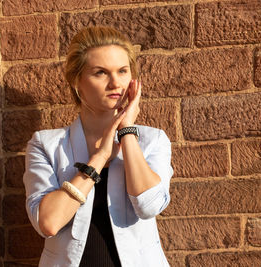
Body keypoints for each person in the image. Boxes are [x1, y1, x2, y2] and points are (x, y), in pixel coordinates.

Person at [23, 26, 173, 267]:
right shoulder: (46, 145)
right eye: (100, 73)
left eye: (122, 71)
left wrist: (127, 130)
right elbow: (48, 223)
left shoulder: (153, 140)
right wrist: (100, 157)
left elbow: (149, 206)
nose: (115, 83)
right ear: (76, 82)